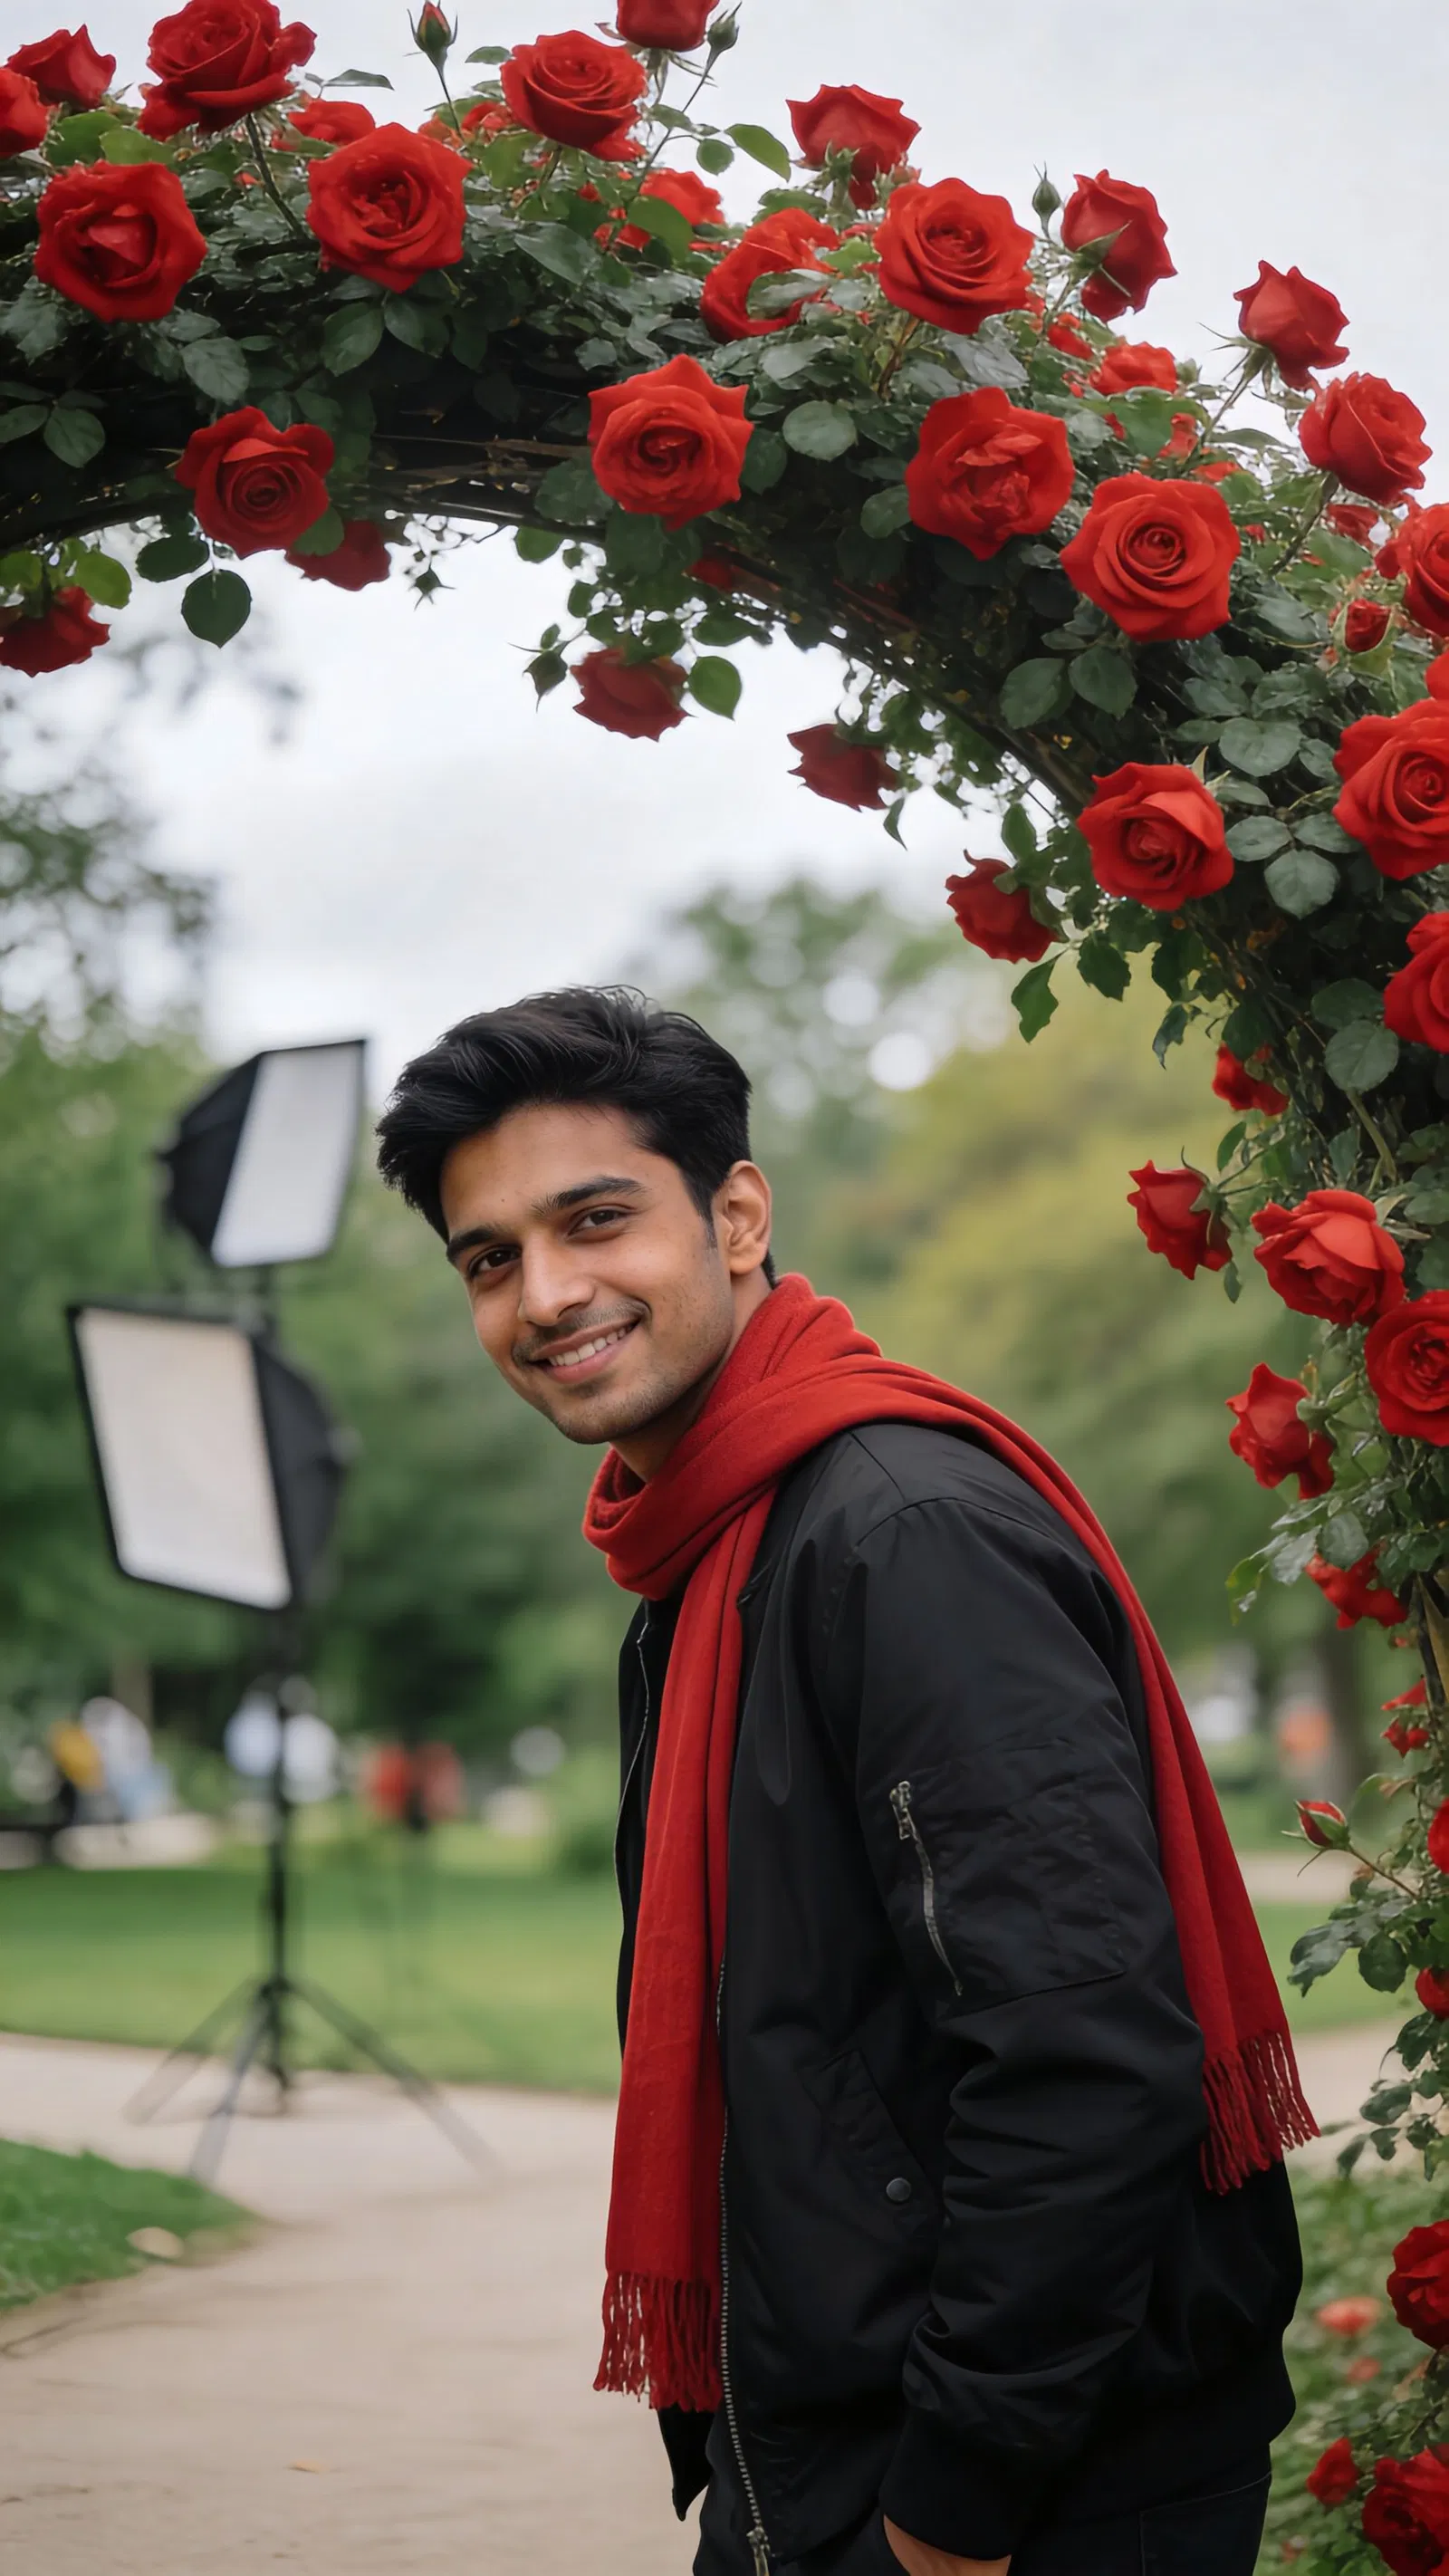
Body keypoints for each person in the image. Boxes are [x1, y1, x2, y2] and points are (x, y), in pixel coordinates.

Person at [376, 987, 1310, 2576]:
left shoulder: (899, 1537)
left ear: (737, 1215)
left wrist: (951, 2505)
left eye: (595, 1220)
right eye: (490, 1259)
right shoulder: (710, 1549)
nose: (547, 1294)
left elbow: (1081, 2053)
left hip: (1015, 2496)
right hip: (836, 2452)